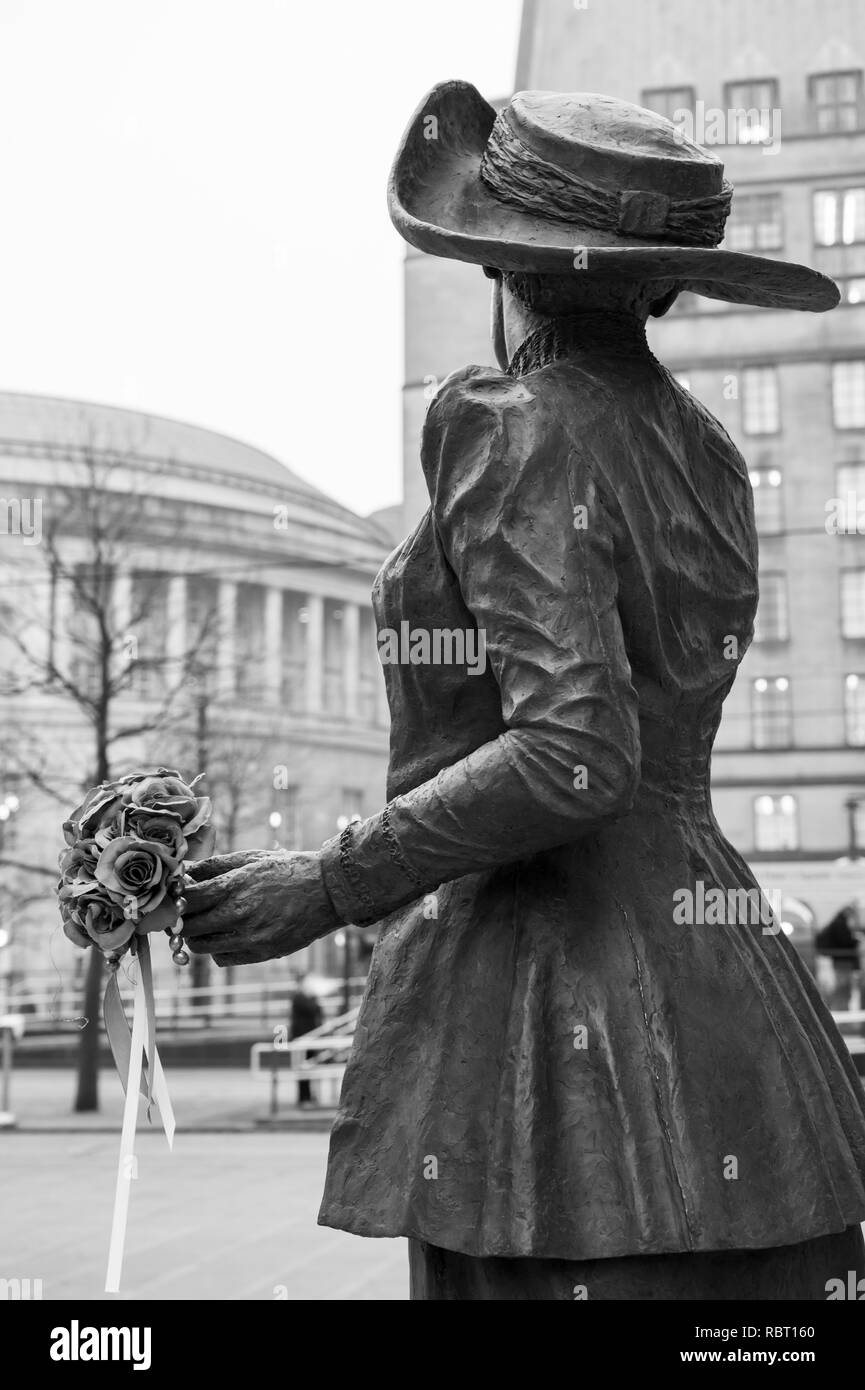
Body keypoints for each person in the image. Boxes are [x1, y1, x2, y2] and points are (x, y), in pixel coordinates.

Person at [184, 83, 865, 1300]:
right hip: (731, 1002)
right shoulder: (704, 447)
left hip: (545, 995)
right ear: (660, 284)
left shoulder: (502, 421)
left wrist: (329, 881)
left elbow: (572, 753)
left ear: (504, 271)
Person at [290, 973, 323, 1107]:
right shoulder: (299, 997)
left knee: (309, 1067)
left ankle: (309, 1096)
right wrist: (314, 997)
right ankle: (303, 1097)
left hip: (310, 1036)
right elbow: (311, 1009)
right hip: (301, 1037)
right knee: (302, 1069)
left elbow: (318, 1011)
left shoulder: (306, 997)